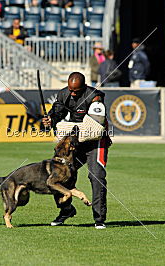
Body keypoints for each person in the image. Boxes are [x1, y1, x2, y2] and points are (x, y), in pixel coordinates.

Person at [42, 72, 111, 229]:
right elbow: (58, 111)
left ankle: (99, 219)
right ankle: (66, 210)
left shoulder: (95, 97)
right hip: (74, 142)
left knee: (97, 176)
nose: (72, 94)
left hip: (95, 141)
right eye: (70, 90)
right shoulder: (63, 93)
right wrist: (51, 119)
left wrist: (67, 128)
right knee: (57, 174)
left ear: (84, 87)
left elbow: (94, 127)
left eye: (76, 91)